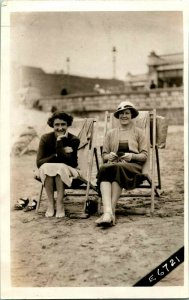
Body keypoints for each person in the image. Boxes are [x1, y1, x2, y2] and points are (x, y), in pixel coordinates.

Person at [95, 101, 148, 227]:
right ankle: (109, 212)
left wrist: (131, 156)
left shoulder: (139, 132)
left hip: (133, 166)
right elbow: (104, 156)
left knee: (115, 168)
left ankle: (109, 211)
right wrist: (110, 156)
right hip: (115, 165)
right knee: (105, 168)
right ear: (118, 116)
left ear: (132, 115)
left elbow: (144, 156)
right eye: (121, 113)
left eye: (127, 113)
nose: (124, 116)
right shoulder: (110, 133)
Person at [36, 111, 80, 218]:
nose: (60, 128)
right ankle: (51, 204)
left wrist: (59, 142)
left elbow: (71, 162)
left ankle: (60, 204)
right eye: (57, 125)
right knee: (48, 167)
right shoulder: (45, 138)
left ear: (68, 125)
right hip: (49, 171)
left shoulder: (74, 140)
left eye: (63, 124)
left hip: (69, 171)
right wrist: (57, 154)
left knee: (59, 167)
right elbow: (39, 163)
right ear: (52, 125)